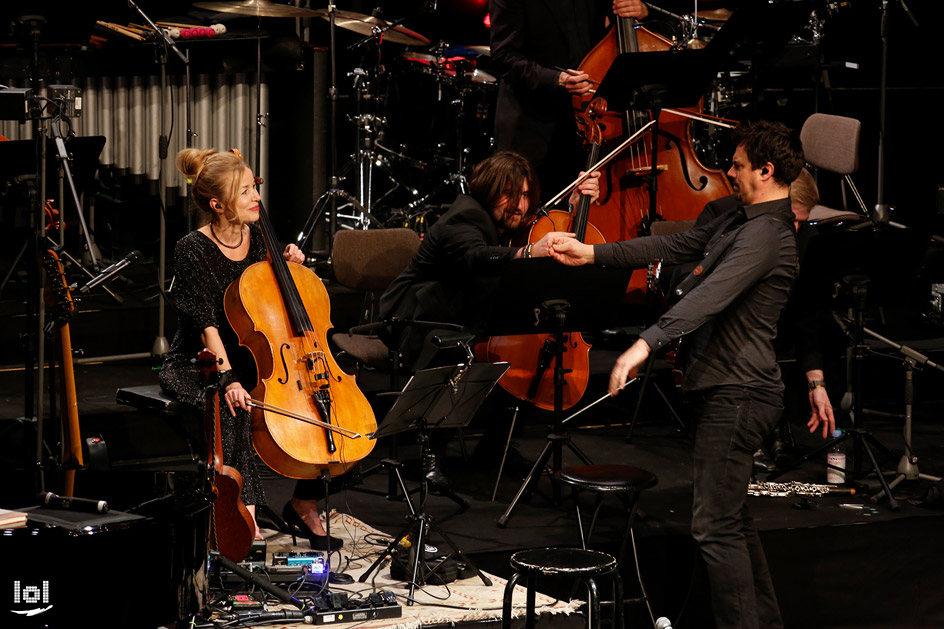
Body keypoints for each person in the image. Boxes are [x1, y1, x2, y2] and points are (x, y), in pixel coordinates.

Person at [550, 121, 811, 629]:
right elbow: (678, 244)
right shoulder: (741, 217)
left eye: (737, 165)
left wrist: (644, 344)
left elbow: (708, 299)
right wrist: (593, 254)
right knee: (733, 523)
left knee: (714, 528)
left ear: (765, 169)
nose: (729, 172)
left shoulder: (767, 235)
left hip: (739, 392)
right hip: (729, 388)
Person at [159, 148, 341, 551]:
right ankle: (246, 516)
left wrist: (289, 264)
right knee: (236, 406)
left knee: (328, 404)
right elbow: (206, 325)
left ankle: (306, 502)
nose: (257, 197)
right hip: (201, 362)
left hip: (255, 355)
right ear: (217, 204)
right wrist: (227, 380)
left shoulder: (259, 236)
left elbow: (268, 309)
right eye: (245, 192)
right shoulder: (191, 248)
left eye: (253, 187)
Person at [379, 150, 599, 371]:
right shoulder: (464, 217)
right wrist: (529, 251)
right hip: (419, 325)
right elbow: (477, 256)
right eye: (508, 193)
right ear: (488, 189)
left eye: (524, 195)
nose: (519, 205)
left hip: (459, 318)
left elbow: (534, 229)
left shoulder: (501, 219)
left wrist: (573, 209)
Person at [489, 0, 649, 195]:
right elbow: (504, 55)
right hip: (533, 124)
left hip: (592, 122)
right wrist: (556, 79)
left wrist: (643, 10)